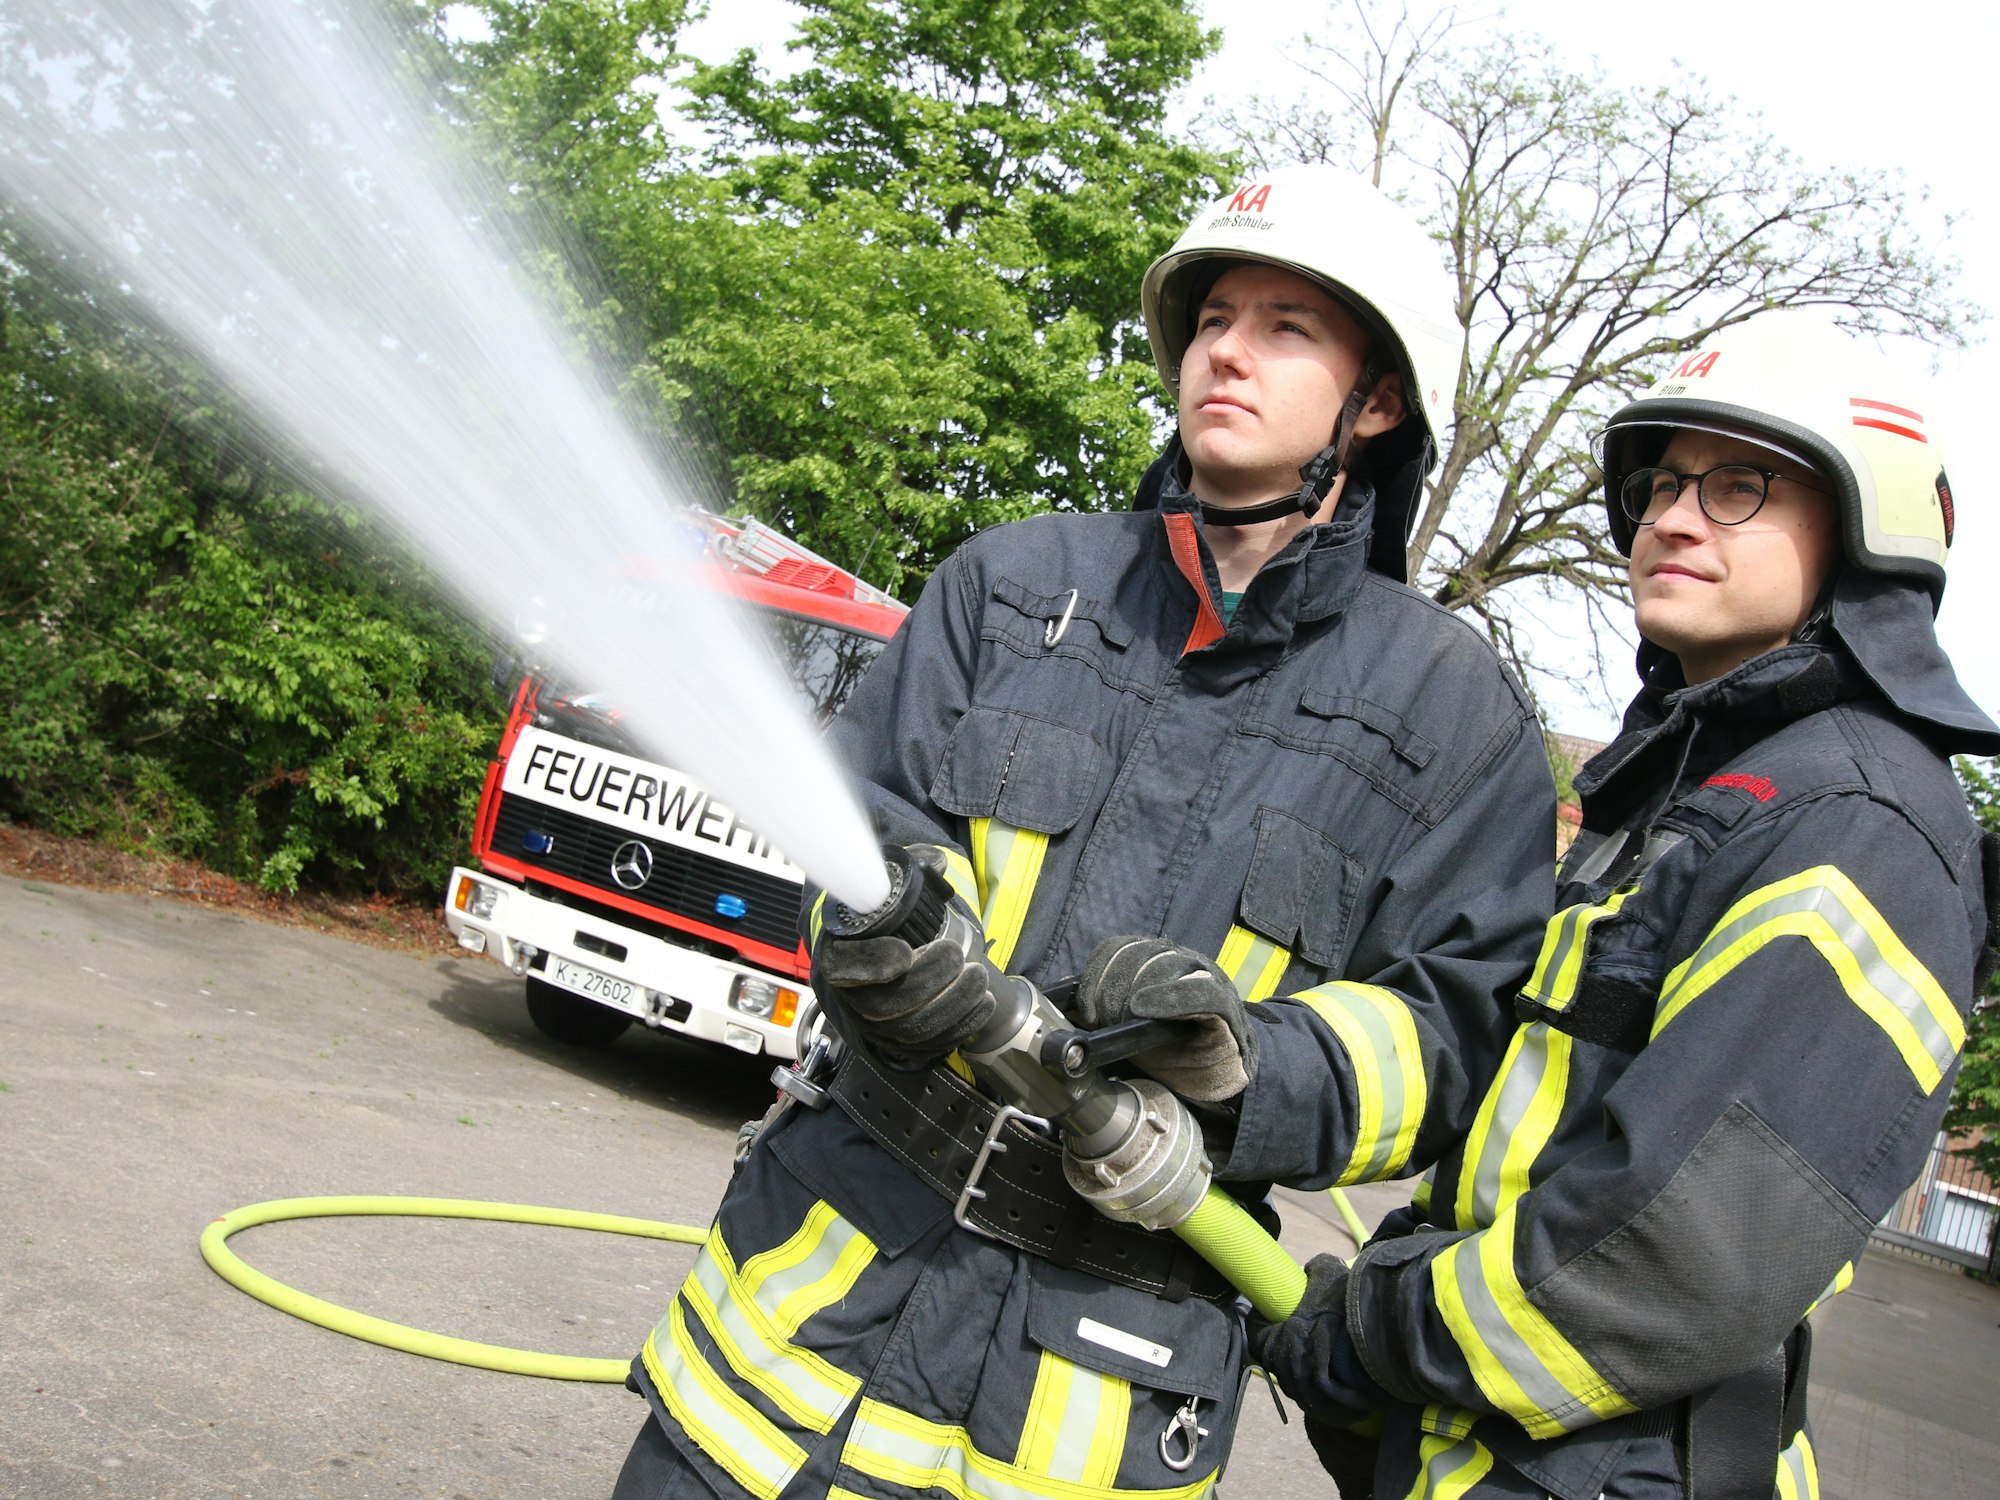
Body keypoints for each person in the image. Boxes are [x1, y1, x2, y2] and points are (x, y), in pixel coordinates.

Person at [612, 164, 1558, 1500]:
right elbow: (867, 822)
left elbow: (1450, 1035)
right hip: (788, 1354)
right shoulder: (1010, 585)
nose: (1227, 348)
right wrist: (904, 921)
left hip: (1084, 1399)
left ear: (1380, 400)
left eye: (1288, 328)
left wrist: (1246, 1066)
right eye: (1216, 315)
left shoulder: (1451, 721)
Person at [1250, 314, 2000, 1500]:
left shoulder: (1856, 821)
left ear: (1864, 535)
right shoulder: (1698, 794)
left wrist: (1376, 1331)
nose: (1669, 516)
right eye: (1659, 483)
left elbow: (1680, 1252)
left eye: (1738, 486)